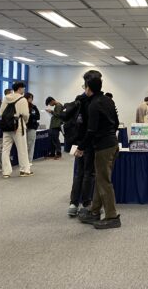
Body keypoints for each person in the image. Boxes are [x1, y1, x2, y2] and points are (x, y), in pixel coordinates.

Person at [76, 73, 121, 229]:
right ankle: (95, 211)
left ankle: (112, 216)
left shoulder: (93, 105)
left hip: (103, 147)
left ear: (88, 88)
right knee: (101, 180)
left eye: (84, 86)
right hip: (112, 144)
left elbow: (91, 130)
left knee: (104, 182)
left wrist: (81, 147)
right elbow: (116, 123)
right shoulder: (109, 100)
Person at [62, 72, 97, 218]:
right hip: (88, 142)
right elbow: (92, 126)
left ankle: (73, 203)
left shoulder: (78, 99)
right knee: (88, 173)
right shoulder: (94, 101)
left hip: (77, 142)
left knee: (79, 173)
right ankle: (86, 203)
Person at [0, 82, 32, 178]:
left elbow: (1, 113)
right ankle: (24, 170)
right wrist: (24, 122)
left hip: (6, 126)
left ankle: (6, 172)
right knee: (22, 149)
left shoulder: (6, 98)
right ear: (20, 89)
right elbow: (26, 114)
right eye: (23, 88)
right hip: (18, 126)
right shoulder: (23, 100)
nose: (24, 90)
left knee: (5, 149)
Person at [24, 93, 40, 167]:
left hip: (32, 127)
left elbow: (38, 116)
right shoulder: (22, 106)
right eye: (29, 98)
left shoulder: (34, 107)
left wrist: (30, 115)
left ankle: (29, 160)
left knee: (31, 144)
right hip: (23, 127)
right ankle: (24, 160)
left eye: (31, 98)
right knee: (24, 145)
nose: (30, 99)